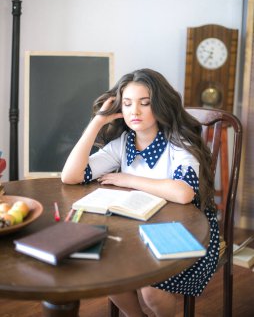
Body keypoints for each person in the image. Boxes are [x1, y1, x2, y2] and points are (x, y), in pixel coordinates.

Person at [61, 68, 220, 317]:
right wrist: (98, 121)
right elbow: (70, 176)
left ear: (159, 105)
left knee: (150, 289)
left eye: (144, 103)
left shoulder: (178, 142)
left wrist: (129, 179)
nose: (134, 111)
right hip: (136, 230)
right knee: (108, 272)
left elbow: (183, 193)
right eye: (127, 104)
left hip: (188, 232)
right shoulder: (123, 144)